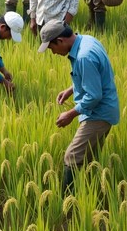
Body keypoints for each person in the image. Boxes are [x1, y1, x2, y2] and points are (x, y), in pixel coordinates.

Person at [38, 20, 119, 194]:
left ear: (60, 41)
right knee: (88, 158)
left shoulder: (84, 56)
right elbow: (93, 76)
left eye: (51, 48)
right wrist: (70, 90)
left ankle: (67, 202)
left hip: (98, 114)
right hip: (105, 109)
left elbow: (94, 96)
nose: (53, 53)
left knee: (72, 157)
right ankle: (89, 193)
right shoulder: (87, 40)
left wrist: (71, 114)